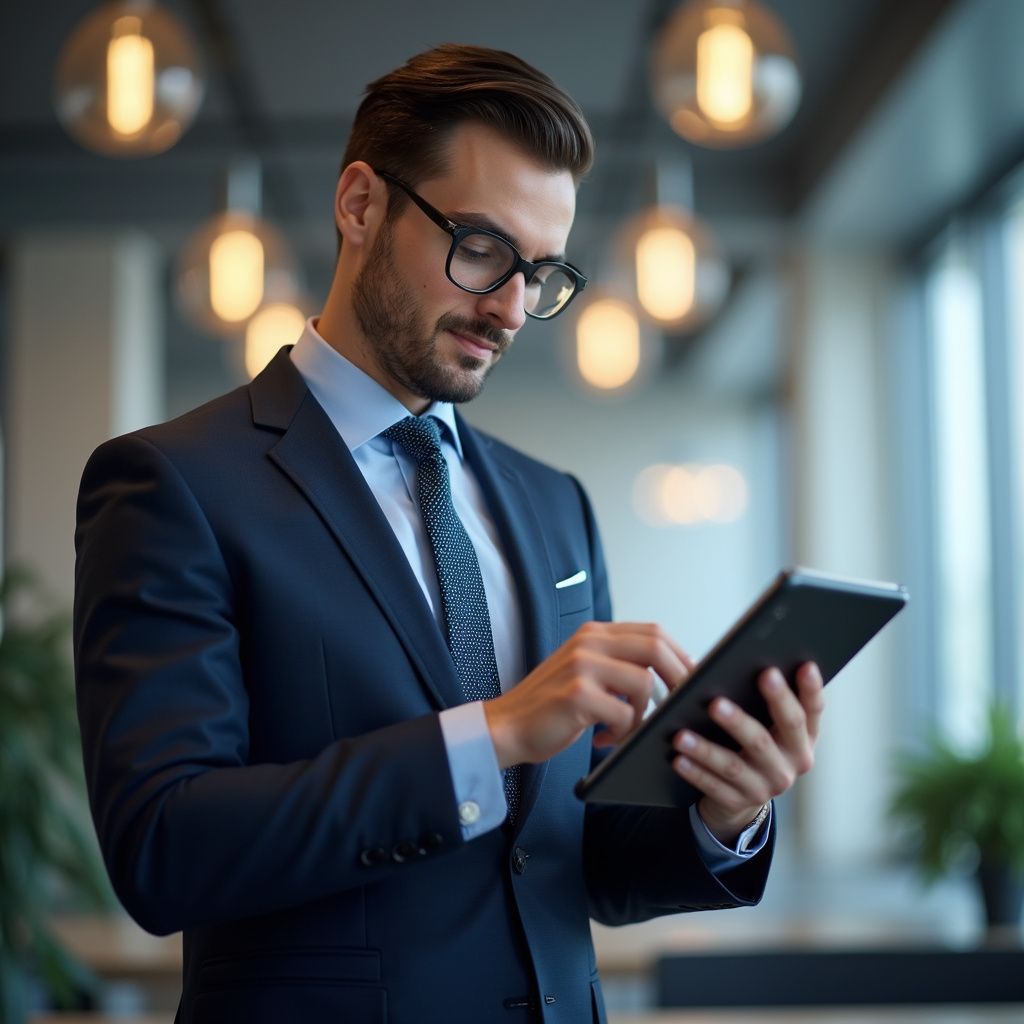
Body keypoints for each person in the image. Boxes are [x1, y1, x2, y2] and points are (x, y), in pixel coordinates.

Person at [73, 44, 824, 1024]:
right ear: (359, 205)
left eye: (542, 271)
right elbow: (163, 849)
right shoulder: (176, 482)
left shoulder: (555, 504)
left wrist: (727, 811)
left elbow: (570, 862)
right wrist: (496, 732)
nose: (511, 306)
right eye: (481, 247)